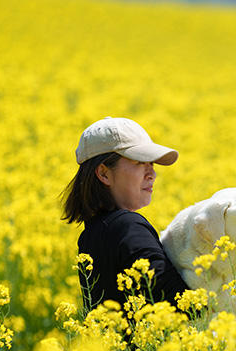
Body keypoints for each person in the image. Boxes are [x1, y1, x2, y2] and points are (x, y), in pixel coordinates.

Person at [61, 117, 189, 314]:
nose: (152, 174)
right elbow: (183, 306)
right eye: (139, 162)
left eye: (151, 163)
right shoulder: (128, 227)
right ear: (104, 173)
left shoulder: (90, 234)